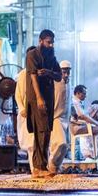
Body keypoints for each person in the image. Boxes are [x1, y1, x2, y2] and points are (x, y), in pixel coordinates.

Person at [26, 29, 62, 178]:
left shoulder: (52, 57)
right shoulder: (32, 55)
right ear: (40, 41)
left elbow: (59, 76)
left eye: (52, 42)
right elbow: (33, 77)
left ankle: (41, 166)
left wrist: (48, 72)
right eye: (48, 42)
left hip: (49, 97)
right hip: (37, 98)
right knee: (41, 131)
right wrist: (39, 98)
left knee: (46, 131)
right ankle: (38, 167)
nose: (51, 45)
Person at [71, 85, 98, 159]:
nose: (85, 96)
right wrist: (97, 123)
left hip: (82, 126)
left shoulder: (78, 102)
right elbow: (82, 116)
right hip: (77, 127)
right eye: (84, 94)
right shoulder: (75, 102)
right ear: (78, 93)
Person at [47, 60, 71, 174]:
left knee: (65, 146)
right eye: (63, 72)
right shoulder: (54, 82)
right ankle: (51, 163)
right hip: (55, 117)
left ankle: (55, 168)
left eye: (67, 72)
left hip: (66, 119)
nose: (66, 75)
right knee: (60, 143)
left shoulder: (69, 83)